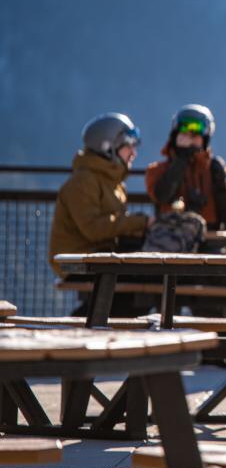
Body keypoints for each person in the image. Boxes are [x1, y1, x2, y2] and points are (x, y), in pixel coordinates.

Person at [49, 112, 151, 315]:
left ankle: (95, 325)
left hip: (100, 257)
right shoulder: (83, 182)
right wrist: (140, 222)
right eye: (128, 145)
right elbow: (93, 229)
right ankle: (83, 325)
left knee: (144, 280)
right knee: (134, 286)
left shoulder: (112, 182)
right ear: (108, 147)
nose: (133, 152)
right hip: (76, 262)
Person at [145, 104, 226, 231]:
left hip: (211, 241)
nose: (190, 135)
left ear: (206, 136)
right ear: (175, 134)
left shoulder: (219, 171)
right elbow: (161, 195)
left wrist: (221, 188)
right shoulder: (157, 170)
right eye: (185, 129)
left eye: (196, 130)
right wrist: (181, 161)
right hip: (172, 238)